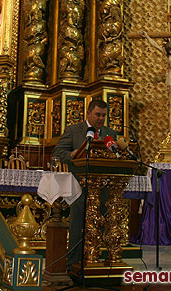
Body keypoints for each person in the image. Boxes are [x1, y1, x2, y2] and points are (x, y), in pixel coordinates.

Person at [52, 99, 117, 269]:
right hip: (79, 186)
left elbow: (115, 155)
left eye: (103, 115)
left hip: (102, 188)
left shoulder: (110, 134)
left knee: (99, 224)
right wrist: (73, 154)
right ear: (88, 113)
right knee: (78, 225)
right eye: (97, 115)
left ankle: (94, 259)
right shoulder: (74, 131)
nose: (100, 119)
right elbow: (58, 152)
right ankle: (73, 263)